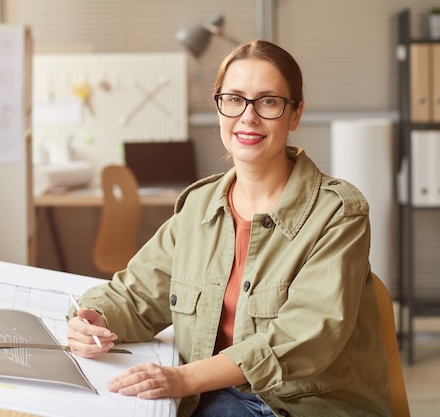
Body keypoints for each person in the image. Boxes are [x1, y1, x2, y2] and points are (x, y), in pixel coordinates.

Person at [66, 39, 392, 417]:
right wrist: (94, 318)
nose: (248, 117)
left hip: (298, 406)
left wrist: (184, 379)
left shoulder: (337, 214)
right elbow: (134, 295)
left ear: (295, 113)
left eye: (268, 101)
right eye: (234, 99)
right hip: (211, 395)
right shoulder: (198, 207)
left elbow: (302, 339)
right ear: (219, 106)